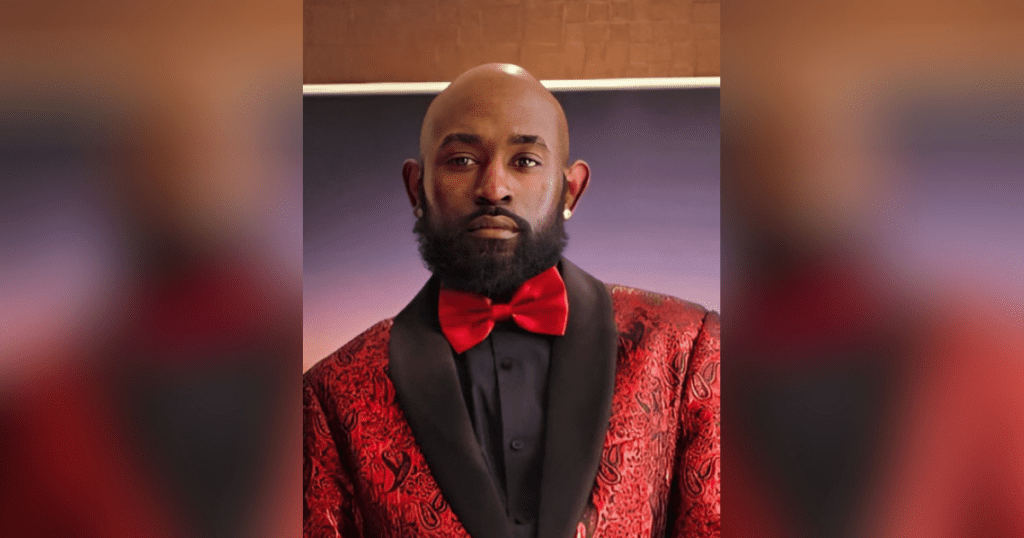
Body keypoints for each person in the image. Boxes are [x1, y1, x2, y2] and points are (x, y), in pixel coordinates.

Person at [303, 63, 720, 538]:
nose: (494, 189)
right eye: (462, 160)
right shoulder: (332, 392)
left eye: (525, 161)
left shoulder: (686, 348)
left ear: (571, 190)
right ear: (416, 188)